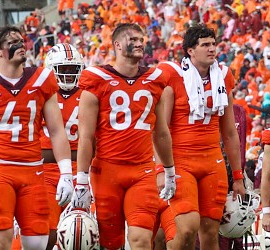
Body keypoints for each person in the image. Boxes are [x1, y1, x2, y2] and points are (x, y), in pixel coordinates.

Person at [0, 26, 73, 250]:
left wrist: (66, 173)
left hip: (32, 168)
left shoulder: (41, 79)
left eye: (21, 41)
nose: (21, 46)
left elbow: (57, 130)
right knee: (1, 237)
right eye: (13, 43)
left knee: (37, 241)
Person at [72, 23, 176, 249]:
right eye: (133, 39)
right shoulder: (96, 78)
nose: (140, 43)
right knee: (111, 243)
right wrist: (81, 180)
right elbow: (86, 137)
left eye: (141, 39)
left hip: (142, 171)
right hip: (107, 171)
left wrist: (169, 170)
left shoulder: (154, 79)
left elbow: (161, 132)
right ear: (117, 44)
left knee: (140, 240)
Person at [156, 24, 245, 250]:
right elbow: (160, 130)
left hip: (212, 161)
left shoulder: (223, 77)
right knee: (186, 228)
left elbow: (230, 132)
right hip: (181, 161)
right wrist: (161, 170)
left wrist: (238, 176)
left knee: (210, 233)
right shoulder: (172, 77)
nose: (212, 49)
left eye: (214, 44)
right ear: (190, 51)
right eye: (205, 45)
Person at [41, 43, 85, 250]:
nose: (68, 75)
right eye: (63, 69)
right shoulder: (40, 94)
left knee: (84, 232)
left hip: (80, 170)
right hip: (47, 172)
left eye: (72, 69)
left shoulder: (88, 94)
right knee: (46, 235)